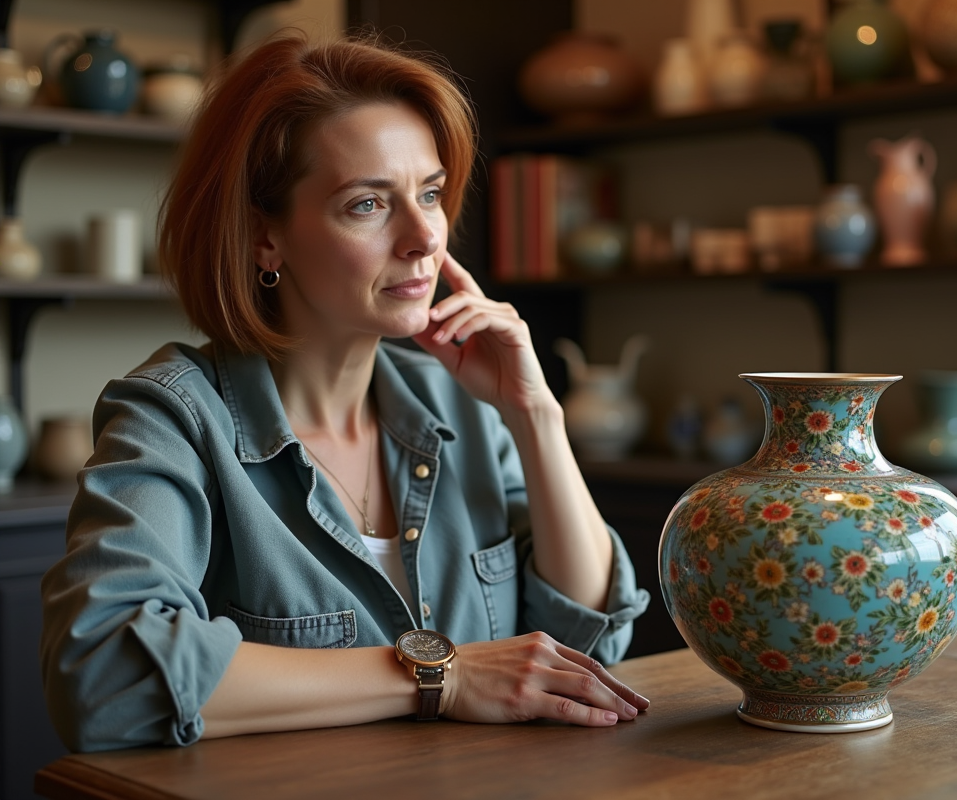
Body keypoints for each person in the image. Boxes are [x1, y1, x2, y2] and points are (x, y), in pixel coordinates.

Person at [39, 33, 650, 753]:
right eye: (367, 204)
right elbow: (104, 676)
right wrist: (441, 678)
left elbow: (589, 644)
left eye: (429, 192)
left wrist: (535, 416)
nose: (425, 235)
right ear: (266, 237)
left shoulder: (462, 403)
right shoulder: (174, 417)